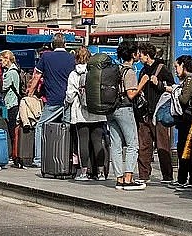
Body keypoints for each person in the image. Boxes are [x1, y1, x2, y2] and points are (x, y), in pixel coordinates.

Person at [29, 33, 76, 168]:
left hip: (53, 99)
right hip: (68, 99)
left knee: (41, 126)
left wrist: (30, 93)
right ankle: (67, 157)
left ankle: (38, 159)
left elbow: (37, 76)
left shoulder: (46, 57)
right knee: (67, 128)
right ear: (65, 45)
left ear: (51, 45)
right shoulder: (71, 58)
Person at [136, 43, 175, 184]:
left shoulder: (162, 69)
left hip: (159, 114)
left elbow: (172, 88)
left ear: (147, 55)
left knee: (162, 145)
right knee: (144, 145)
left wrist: (158, 83)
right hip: (144, 113)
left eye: (141, 54)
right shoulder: (142, 71)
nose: (139, 56)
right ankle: (143, 175)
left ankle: (167, 176)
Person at [67, 47, 108, 180]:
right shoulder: (96, 72)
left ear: (76, 58)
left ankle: (84, 172)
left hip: (81, 113)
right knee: (97, 142)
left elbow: (70, 95)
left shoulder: (74, 74)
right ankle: (101, 172)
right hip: (98, 113)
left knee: (83, 142)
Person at [109, 41, 144, 190]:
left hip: (111, 109)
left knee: (116, 145)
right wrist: (142, 83)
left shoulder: (116, 69)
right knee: (132, 144)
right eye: (136, 52)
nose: (138, 54)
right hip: (124, 109)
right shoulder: (129, 71)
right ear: (132, 54)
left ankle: (119, 178)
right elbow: (130, 94)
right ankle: (128, 178)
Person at [169, 55, 192, 188]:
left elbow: (184, 99)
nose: (176, 71)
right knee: (189, 147)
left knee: (184, 147)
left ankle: (183, 179)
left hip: (188, 117)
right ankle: (190, 178)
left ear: (183, 65)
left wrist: (175, 91)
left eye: (177, 67)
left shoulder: (190, 78)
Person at [0, 50, 22, 162]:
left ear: (7, 59)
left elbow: (3, 87)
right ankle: (14, 153)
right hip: (13, 103)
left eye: (1, 60)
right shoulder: (14, 70)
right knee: (13, 130)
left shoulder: (10, 73)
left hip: (11, 104)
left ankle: (14, 154)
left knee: (12, 130)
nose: (0, 62)